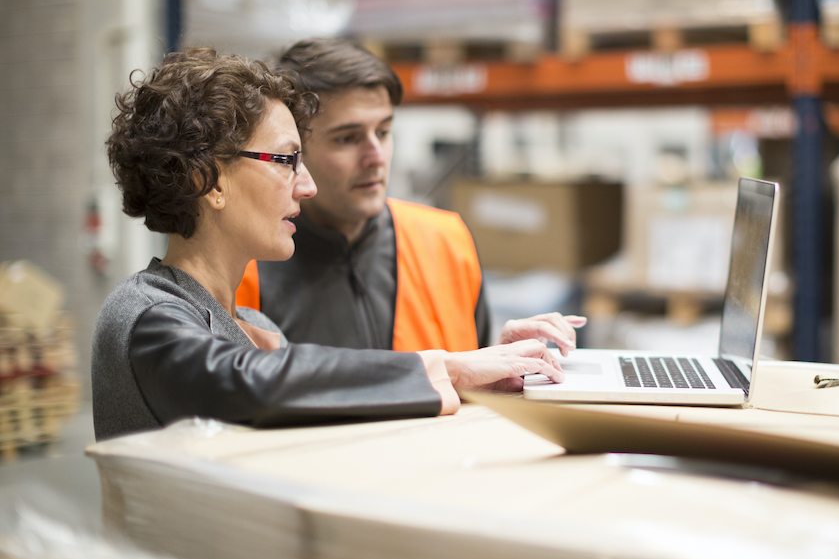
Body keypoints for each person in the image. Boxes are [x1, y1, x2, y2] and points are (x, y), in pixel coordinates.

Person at [91, 49, 563, 441]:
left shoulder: (254, 325)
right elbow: (248, 384)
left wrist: (485, 378)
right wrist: (449, 368)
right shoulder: (145, 314)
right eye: (287, 160)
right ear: (208, 180)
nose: (307, 186)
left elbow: (328, 418)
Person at [235, 38, 584, 355]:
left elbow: (468, 389)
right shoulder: (245, 269)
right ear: (295, 150)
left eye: (384, 132)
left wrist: (498, 358)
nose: (376, 156)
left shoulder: (444, 242)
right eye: (347, 138)